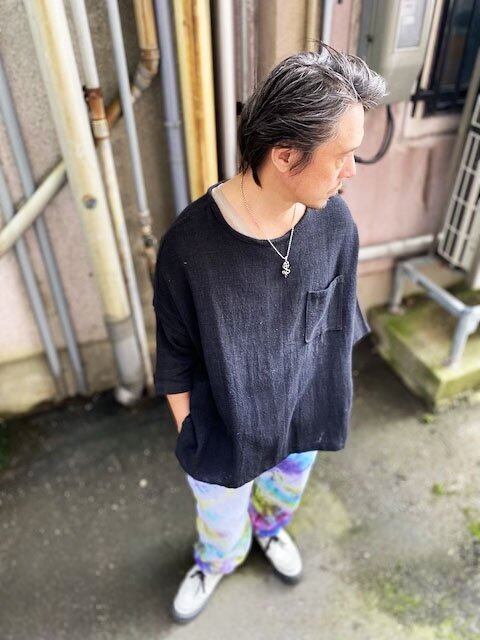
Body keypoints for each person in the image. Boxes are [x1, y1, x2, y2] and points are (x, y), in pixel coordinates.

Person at [152, 42, 387, 623]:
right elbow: (175, 356)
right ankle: (216, 561)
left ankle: (270, 530)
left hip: (303, 420)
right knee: (219, 519)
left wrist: (324, 399)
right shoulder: (189, 248)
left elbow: (336, 323)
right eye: (342, 156)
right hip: (223, 431)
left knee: (283, 498)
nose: (352, 172)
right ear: (285, 156)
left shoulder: (336, 223)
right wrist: (193, 432)